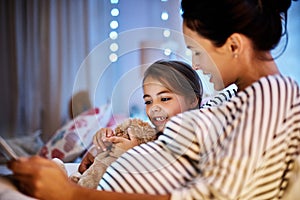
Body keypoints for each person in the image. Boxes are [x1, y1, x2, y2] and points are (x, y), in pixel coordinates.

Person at [8, 0, 300, 199]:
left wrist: (71, 194)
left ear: (234, 45)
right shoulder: (236, 97)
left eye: (197, 51)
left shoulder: (272, 93)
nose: (196, 65)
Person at [76, 59, 203, 176]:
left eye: (164, 99)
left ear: (192, 100)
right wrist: (102, 148)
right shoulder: (152, 136)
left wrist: (133, 153)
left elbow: (172, 173)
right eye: (148, 101)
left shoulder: (196, 138)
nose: (154, 108)